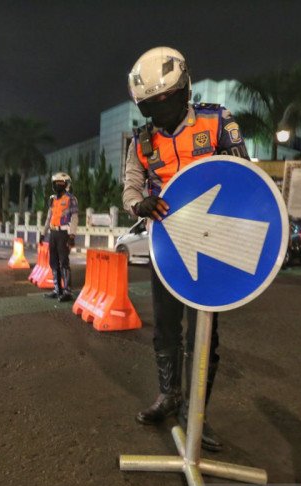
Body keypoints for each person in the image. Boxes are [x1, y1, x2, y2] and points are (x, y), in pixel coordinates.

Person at [122, 47, 250, 451]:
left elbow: (243, 176)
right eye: (151, 106)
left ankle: (197, 412)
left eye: (167, 99)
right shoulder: (142, 141)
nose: (161, 111)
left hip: (213, 245)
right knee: (164, 329)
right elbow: (131, 186)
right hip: (168, 245)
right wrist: (138, 204)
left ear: (184, 90)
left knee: (205, 334)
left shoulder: (217, 120)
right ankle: (169, 397)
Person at [40, 172, 78, 302]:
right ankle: (57, 289)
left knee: (64, 262)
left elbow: (74, 218)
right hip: (53, 233)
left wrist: (72, 235)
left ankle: (67, 291)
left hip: (64, 234)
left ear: (66, 185)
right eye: (55, 183)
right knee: (53, 262)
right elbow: (49, 217)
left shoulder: (71, 199)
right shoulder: (52, 199)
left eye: (60, 183)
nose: (57, 186)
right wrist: (43, 233)